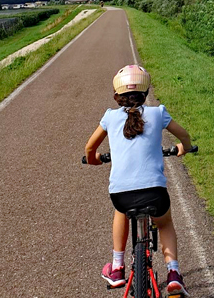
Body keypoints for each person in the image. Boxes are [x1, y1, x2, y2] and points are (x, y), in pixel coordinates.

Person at [84, 64, 191, 296]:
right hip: (155, 193)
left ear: (116, 96)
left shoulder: (109, 117)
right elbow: (183, 135)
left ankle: (117, 267)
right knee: (164, 222)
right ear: (145, 94)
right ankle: (173, 273)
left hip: (121, 196)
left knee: (121, 211)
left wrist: (94, 160)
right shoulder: (157, 112)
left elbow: (90, 147)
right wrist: (185, 147)